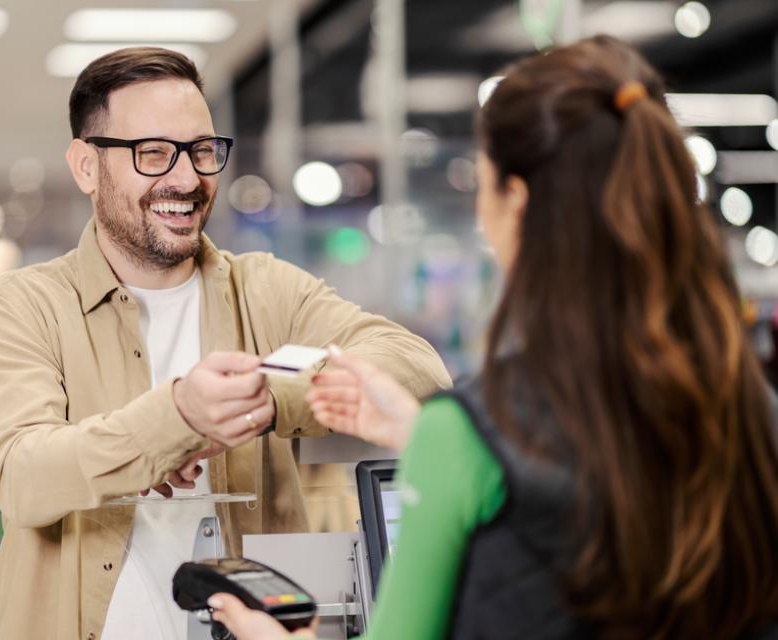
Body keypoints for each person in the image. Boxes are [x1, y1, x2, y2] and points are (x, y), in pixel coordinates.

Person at [210, 35, 778, 639]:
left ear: (519, 200)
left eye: (482, 184)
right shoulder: (751, 410)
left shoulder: (468, 436)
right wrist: (423, 433)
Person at [0, 47, 449, 640]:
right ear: (86, 167)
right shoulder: (23, 306)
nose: (187, 178)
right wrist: (173, 421)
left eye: (200, 150)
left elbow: (417, 369)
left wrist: (274, 398)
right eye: (153, 153)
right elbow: (23, 476)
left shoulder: (265, 290)